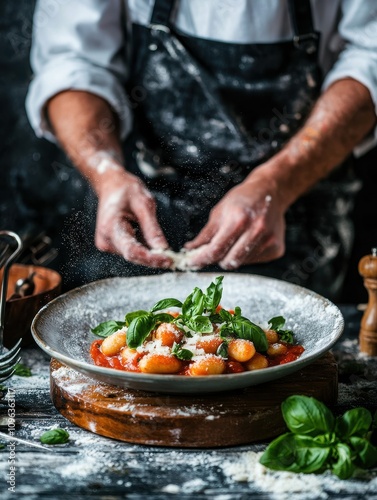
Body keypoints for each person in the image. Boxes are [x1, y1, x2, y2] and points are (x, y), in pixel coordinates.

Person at [26, 0, 377, 300]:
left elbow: (370, 55)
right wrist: (106, 172)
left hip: (296, 222)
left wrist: (279, 183)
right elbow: (73, 61)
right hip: (140, 220)